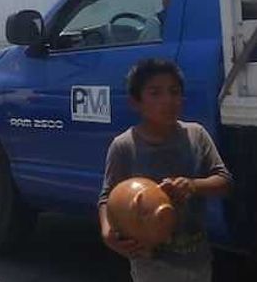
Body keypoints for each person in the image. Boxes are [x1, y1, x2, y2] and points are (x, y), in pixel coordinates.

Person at [98, 58, 232, 282]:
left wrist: (192, 185)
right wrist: (107, 233)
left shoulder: (196, 135)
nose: (168, 100)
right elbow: (107, 197)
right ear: (136, 102)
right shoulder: (125, 146)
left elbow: (224, 181)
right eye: (155, 93)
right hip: (151, 261)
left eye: (174, 91)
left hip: (196, 255)